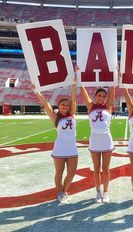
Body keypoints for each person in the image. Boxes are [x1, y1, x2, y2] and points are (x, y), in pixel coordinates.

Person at [31, 68, 78, 203]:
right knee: (59, 172)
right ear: (59, 105)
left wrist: (74, 84)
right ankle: (60, 193)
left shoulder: (72, 114)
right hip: (60, 147)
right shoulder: (55, 117)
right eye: (63, 104)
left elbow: (73, 98)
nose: (65, 106)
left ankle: (64, 190)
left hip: (72, 147)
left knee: (72, 172)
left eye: (67, 105)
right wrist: (37, 91)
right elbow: (46, 104)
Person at [80, 86, 115, 203]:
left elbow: (112, 90)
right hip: (94, 140)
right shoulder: (91, 107)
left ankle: (106, 192)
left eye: (104, 96)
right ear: (95, 97)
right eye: (99, 95)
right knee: (96, 168)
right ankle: (98, 191)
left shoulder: (108, 107)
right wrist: (79, 82)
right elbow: (84, 94)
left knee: (105, 168)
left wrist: (114, 80)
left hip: (106, 140)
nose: (102, 98)